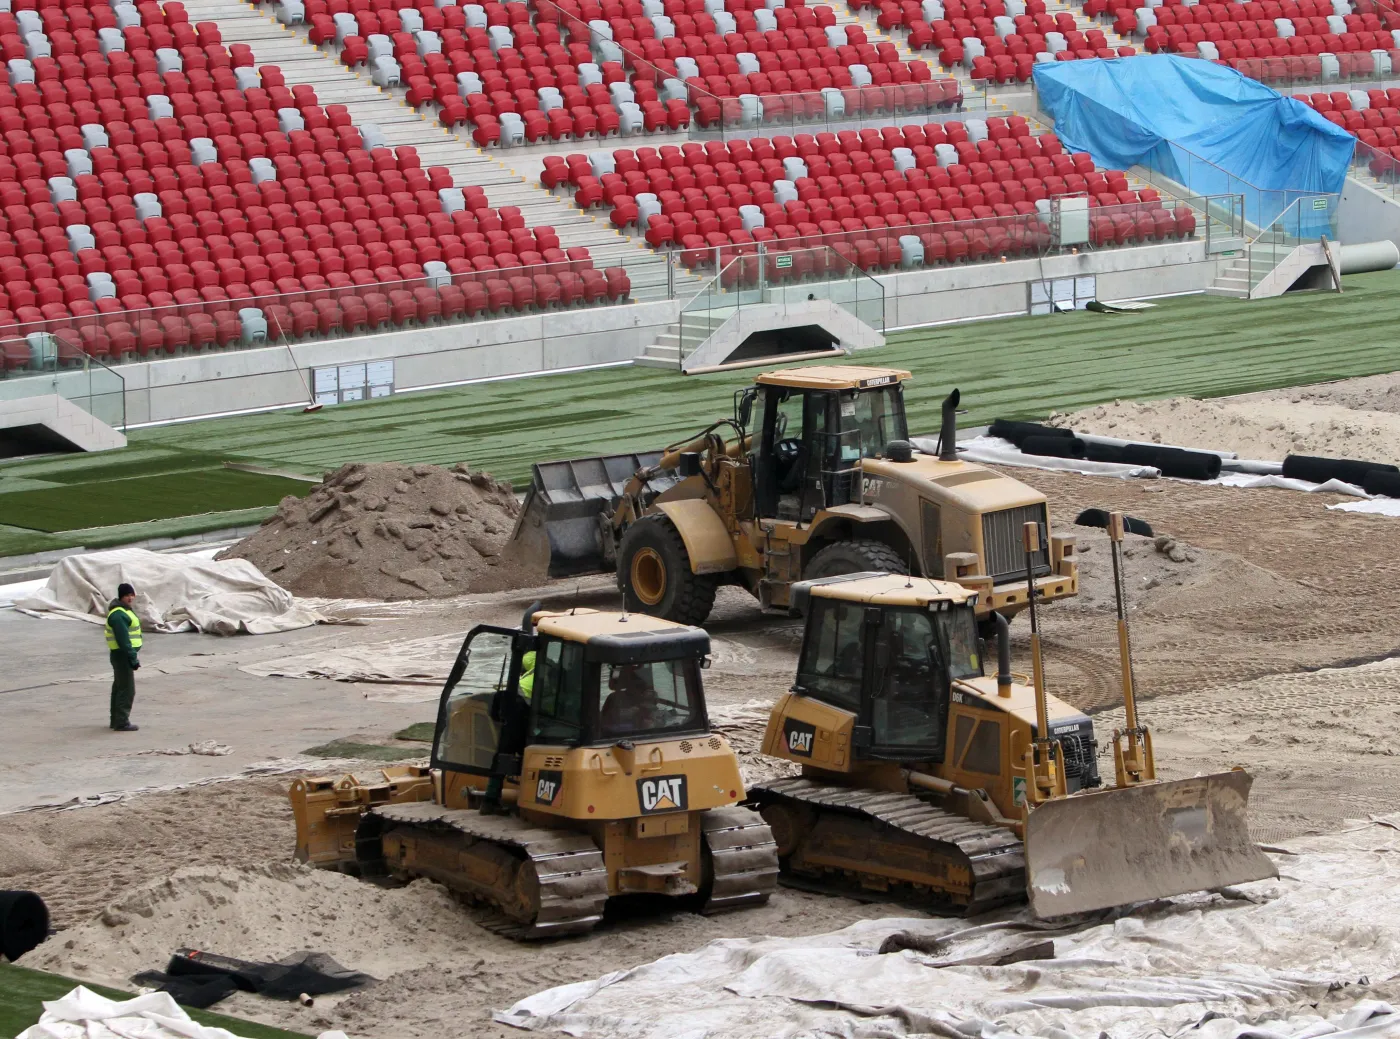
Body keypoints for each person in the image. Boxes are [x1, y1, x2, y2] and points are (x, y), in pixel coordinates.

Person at [481, 650, 534, 814]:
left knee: (504, 755)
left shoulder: (534, 657)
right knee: (517, 756)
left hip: (517, 711)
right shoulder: (551, 666)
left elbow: (521, 661)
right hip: (524, 711)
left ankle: (490, 799)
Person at [105, 582, 142, 732]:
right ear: (121, 597)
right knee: (127, 689)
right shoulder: (119, 614)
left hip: (119, 654)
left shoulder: (122, 611)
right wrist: (132, 658)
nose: (130, 598)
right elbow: (124, 640)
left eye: (131, 594)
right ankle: (121, 722)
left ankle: (116, 720)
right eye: (127, 595)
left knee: (119, 687)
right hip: (122, 655)